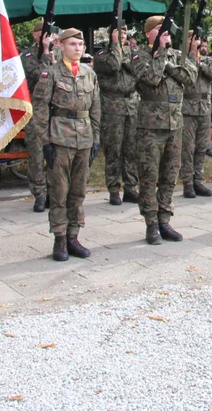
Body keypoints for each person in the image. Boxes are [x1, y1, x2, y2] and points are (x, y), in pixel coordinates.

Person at [29, 28, 101, 261]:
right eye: (72, 45)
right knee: (60, 191)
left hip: (84, 138)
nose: (77, 49)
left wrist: (96, 138)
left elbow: (96, 109)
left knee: (78, 191)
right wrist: (44, 141)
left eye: (80, 45)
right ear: (61, 46)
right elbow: (39, 110)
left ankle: (73, 236)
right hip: (59, 137)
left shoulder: (89, 74)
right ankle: (59, 238)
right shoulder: (50, 74)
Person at [131, 16, 196, 244]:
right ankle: (151, 223)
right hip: (150, 127)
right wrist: (160, 56)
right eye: (160, 29)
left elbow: (190, 77)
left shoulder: (177, 55)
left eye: (167, 29)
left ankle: (164, 219)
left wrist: (168, 63)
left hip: (175, 125)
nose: (166, 33)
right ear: (149, 33)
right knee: (149, 176)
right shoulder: (139, 56)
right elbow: (151, 78)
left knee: (170, 175)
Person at [93, 25, 139, 206]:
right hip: (112, 107)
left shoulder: (133, 52)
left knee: (131, 149)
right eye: (119, 31)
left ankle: (130, 187)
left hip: (132, 105)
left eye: (126, 31)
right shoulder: (101, 55)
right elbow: (113, 66)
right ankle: (113, 188)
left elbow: (139, 71)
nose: (123, 34)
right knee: (113, 149)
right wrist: (115, 46)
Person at [21, 20, 59, 212]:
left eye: (49, 34)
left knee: (56, 154)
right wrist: (45, 54)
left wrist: (53, 58)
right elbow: (40, 75)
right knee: (36, 154)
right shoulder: (27, 55)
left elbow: (62, 75)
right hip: (36, 110)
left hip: (56, 110)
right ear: (35, 35)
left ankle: (54, 192)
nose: (46, 37)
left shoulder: (59, 53)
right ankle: (39, 193)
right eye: (42, 33)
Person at [179, 32, 212, 199]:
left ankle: (198, 180)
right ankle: (188, 183)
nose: (196, 42)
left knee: (202, 147)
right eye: (192, 39)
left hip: (204, 108)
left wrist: (200, 63)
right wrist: (191, 60)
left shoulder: (207, 60)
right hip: (188, 108)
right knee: (188, 148)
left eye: (198, 40)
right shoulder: (181, 59)